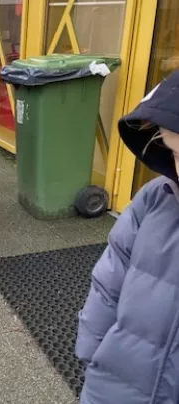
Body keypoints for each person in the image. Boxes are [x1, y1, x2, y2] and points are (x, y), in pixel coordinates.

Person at [75, 71, 179, 403]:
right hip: (114, 385)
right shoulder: (156, 198)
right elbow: (109, 282)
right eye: (176, 154)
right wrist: (92, 351)